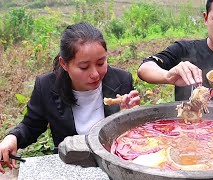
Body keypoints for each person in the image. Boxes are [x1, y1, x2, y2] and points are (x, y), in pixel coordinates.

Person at [0, 22, 140, 173]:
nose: (95, 74)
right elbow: (31, 126)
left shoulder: (122, 80)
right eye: (84, 67)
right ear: (64, 64)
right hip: (71, 166)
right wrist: (12, 138)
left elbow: (131, 140)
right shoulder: (47, 86)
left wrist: (129, 116)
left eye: (101, 63)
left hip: (113, 166)